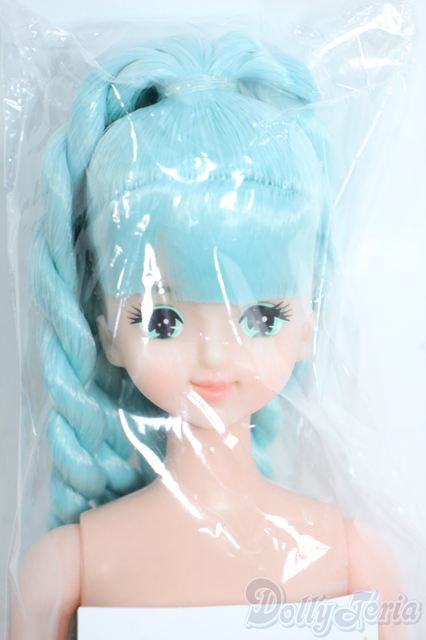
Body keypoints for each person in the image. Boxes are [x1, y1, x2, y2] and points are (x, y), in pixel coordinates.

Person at [9, 31, 402, 640]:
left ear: (310, 325)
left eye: (261, 318)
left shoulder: (353, 559)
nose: (216, 354)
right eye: (163, 321)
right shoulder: (67, 568)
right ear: (107, 332)